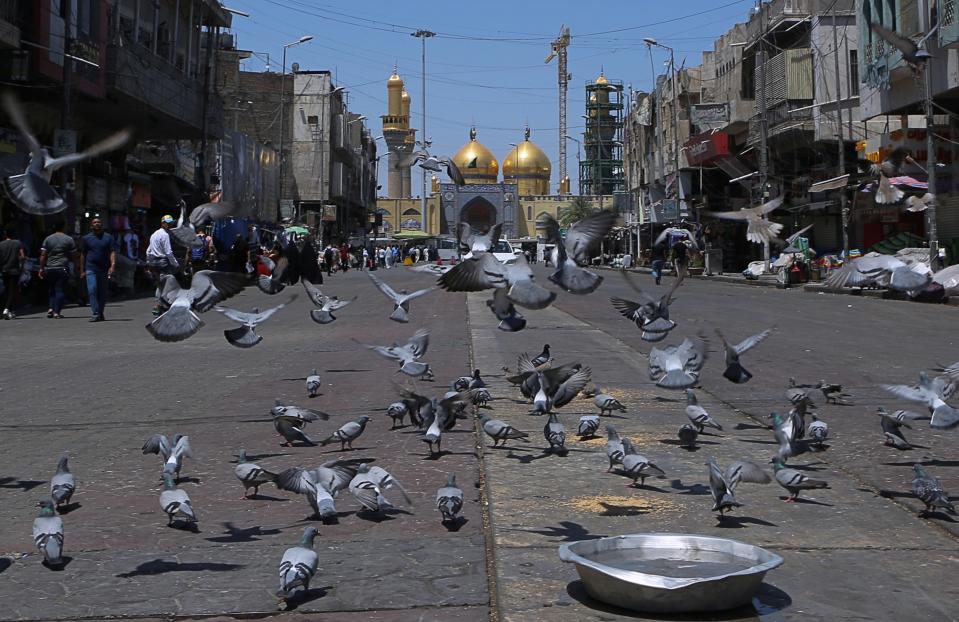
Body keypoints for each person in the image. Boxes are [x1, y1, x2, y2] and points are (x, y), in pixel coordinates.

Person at [79, 217, 117, 322]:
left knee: (102, 292)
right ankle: (95, 313)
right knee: (92, 290)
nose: (97, 224)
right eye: (95, 222)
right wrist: (82, 270)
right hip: (91, 268)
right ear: (91, 225)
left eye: (99, 222)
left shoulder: (108, 237)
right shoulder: (86, 238)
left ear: (102, 224)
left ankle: (100, 312)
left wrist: (112, 265)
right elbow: (83, 254)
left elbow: (112, 252)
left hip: (104, 269)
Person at [38, 221, 77, 319]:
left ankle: (51, 308)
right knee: (60, 289)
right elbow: (74, 255)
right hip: (62, 268)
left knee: (52, 289)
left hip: (49, 268)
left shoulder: (48, 239)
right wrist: (76, 267)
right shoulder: (69, 239)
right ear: (64, 227)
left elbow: (43, 255)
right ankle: (57, 312)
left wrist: (41, 268)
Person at [146, 215, 181, 316]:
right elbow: (168, 252)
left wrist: (149, 262)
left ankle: (158, 305)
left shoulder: (154, 234)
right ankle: (164, 304)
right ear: (163, 223)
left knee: (160, 284)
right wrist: (176, 264)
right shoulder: (165, 235)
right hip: (163, 262)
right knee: (167, 283)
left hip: (154, 262)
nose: (169, 225)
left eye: (170, 223)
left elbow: (148, 251)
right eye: (167, 223)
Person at [0, 224, 25, 320]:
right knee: (12, 291)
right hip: (14, 270)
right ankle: (6, 309)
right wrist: (21, 267)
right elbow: (22, 256)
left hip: (4, 270)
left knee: (7, 290)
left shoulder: (1, 244)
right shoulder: (17, 243)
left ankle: (9, 311)